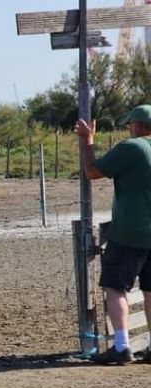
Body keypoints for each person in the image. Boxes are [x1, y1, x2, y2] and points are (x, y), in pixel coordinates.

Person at [75, 104, 151, 365]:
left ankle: (121, 346)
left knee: (116, 287)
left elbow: (93, 171)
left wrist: (87, 141)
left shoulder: (132, 147)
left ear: (138, 126)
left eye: (131, 124)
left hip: (131, 232)